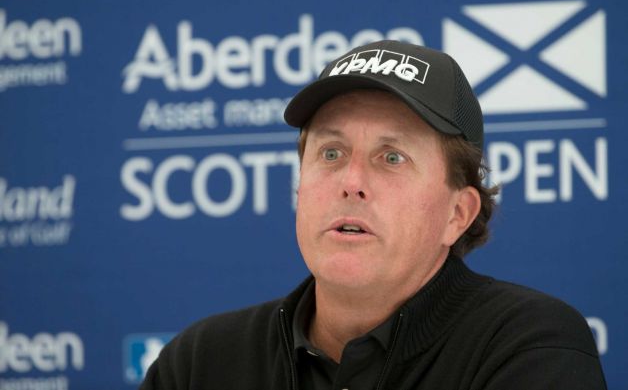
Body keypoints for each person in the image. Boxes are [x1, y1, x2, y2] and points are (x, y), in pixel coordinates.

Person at [140, 40, 606, 389]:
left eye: (392, 157)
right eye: (331, 152)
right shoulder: (201, 362)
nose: (351, 181)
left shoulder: (527, 346)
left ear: (457, 213)